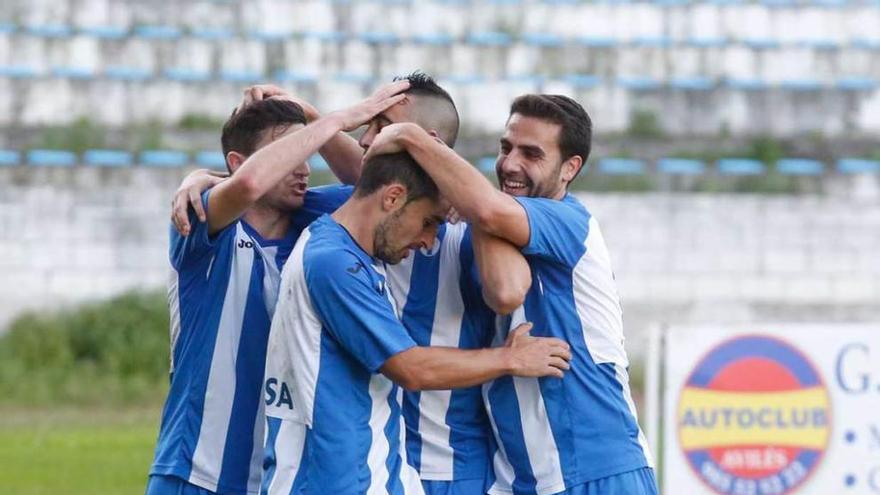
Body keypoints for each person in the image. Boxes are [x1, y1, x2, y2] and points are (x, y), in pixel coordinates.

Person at [172, 73, 530, 495]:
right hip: (204, 466)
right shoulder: (327, 228)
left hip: (415, 465)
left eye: (378, 128)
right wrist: (205, 177)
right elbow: (256, 184)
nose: (363, 140)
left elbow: (505, 289)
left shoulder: (458, 221)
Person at [365, 94, 658, 495]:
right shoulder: (497, 222)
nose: (510, 164)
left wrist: (412, 138)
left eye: (531, 154)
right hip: (524, 477)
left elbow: (489, 221)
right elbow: (378, 200)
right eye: (506, 147)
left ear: (570, 168)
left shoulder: (570, 220)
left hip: (596, 468)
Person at [147, 81, 410, 495]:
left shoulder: (315, 225)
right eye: (289, 154)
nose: (304, 167)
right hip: (197, 472)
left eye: (306, 154)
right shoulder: (199, 220)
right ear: (239, 162)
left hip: (279, 477)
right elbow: (249, 186)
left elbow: (378, 188)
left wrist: (312, 113)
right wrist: (342, 118)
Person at [261, 151, 572, 495]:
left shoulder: (355, 253)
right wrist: (510, 358)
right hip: (326, 483)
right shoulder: (332, 263)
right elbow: (411, 369)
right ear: (393, 198)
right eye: (428, 221)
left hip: (380, 478)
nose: (429, 241)